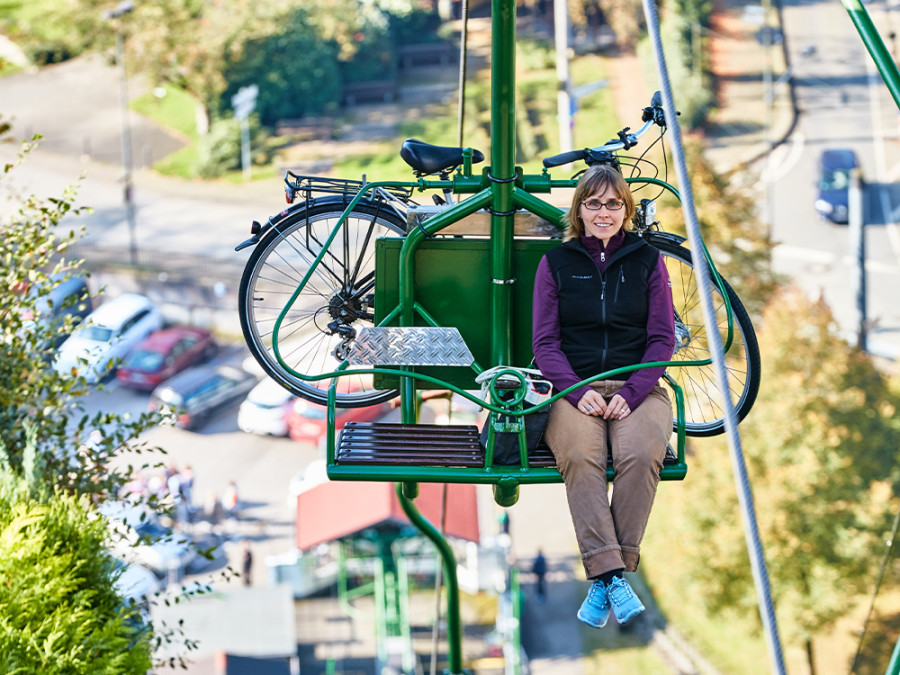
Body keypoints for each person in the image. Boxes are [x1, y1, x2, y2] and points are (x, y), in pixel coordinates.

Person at [532, 163, 676, 628]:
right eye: (593, 203)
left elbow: (661, 339)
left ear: (626, 210)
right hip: (573, 389)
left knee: (642, 452)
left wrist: (634, 392)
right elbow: (545, 343)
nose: (603, 212)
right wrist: (575, 390)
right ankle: (615, 576)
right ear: (579, 210)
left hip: (638, 386)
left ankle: (604, 576)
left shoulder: (649, 261)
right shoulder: (556, 264)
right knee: (579, 455)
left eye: (613, 203)